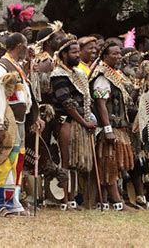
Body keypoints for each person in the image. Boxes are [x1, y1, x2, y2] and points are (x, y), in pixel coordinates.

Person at [0, 32, 43, 216]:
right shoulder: (1, 68)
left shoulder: (17, 67)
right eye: (26, 46)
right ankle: (1, 204)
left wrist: (35, 117)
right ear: (19, 46)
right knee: (6, 161)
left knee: (18, 161)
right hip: (8, 122)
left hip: (19, 122)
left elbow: (27, 95)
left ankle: (14, 202)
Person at [50, 37, 96, 210]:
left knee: (76, 161)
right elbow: (67, 103)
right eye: (74, 52)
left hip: (80, 121)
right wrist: (84, 121)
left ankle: (73, 197)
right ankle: (64, 198)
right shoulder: (58, 75)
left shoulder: (79, 73)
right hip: (66, 122)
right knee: (66, 159)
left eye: (78, 51)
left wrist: (88, 119)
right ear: (64, 54)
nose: (78, 55)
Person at [89, 42, 135, 211]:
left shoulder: (117, 75)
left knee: (115, 164)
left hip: (119, 126)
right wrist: (108, 129)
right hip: (108, 128)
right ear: (105, 56)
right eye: (114, 54)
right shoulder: (102, 77)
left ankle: (113, 200)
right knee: (109, 164)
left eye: (119, 53)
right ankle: (116, 202)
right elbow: (101, 104)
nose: (118, 56)